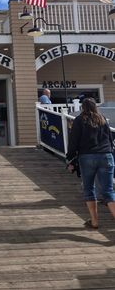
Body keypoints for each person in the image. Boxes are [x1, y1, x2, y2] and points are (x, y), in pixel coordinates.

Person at [66, 98, 115, 229]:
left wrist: (70, 158)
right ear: (95, 107)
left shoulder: (79, 120)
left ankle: (94, 221)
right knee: (108, 191)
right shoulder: (103, 119)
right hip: (106, 156)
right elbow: (110, 141)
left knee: (89, 189)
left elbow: (73, 141)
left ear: (82, 108)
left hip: (87, 157)